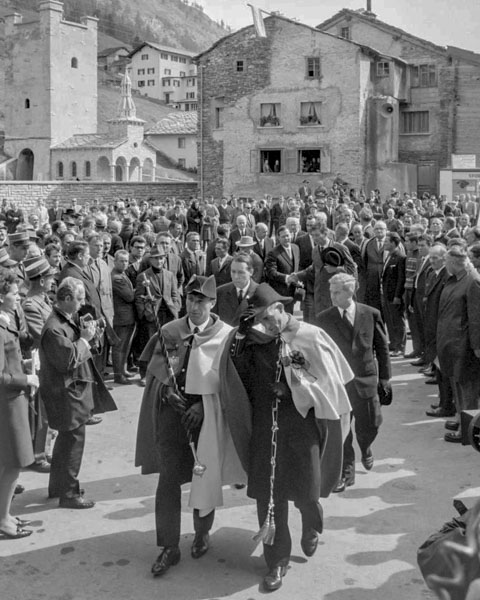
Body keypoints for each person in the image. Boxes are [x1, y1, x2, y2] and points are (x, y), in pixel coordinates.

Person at [218, 283, 352, 591]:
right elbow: (240, 378)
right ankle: (277, 560)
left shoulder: (310, 337)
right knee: (269, 496)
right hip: (266, 426)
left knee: (307, 491)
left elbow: (330, 388)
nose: (266, 325)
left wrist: (294, 391)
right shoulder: (255, 339)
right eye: (260, 321)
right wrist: (238, 339)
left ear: (281, 308)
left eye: (269, 318)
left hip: (302, 428)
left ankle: (311, 524)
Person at [135, 275, 244, 577]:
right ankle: (169, 546)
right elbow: (155, 374)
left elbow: (231, 384)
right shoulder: (169, 331)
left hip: (206, 420)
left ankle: (202, 532)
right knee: (168, 481)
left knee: (203, 478)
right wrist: (167, 392)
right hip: (172, 419)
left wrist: (203, 404)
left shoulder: (226, 336)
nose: (194, 307)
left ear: (212, 303)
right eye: (190, 300)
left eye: (201, 301)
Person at [39, 277, 117, 508]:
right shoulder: (54, 328)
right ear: (65, 299)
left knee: (65, 442)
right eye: (79, 298)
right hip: (66, 393)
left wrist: (89, 336)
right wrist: (84, 339)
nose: (83, 303)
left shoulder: (64, 319)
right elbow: (68, 360)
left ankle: (58, 487)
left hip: (71, 390)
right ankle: (70, 494)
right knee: (73, 442)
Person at [317, 273, 391, 492]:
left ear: (350, 292)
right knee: (342, 430)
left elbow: (382, 347)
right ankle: (346, 471)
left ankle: (366, 447)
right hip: (339, 384)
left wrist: (385, 378)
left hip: (366, 378)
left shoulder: (371, 314)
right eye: (331, 292)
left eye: (337, 292)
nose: (332, 296)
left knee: (371, 423)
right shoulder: (324, 319)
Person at [0, 267, 39, 538]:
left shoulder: (5, 320)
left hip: (12, 400)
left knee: (9, 464)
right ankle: (3, 519)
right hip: (9, 402)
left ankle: (5, 514)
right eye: (14, 293)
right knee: (13, 463)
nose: (18, 297)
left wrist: (23, 363)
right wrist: (27, 378)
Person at [436, 246, 480, 442]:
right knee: (458, 386)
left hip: (464, 346)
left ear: (454, 263)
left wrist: (477, 346)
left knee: (467, 390)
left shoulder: (472, 282)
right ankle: (463, 421)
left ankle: (469, 431)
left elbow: (476, 318)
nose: (444, 265)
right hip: (452, 344)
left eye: (446, 262)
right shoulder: (455, 279)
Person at [213, 253, 258, 325]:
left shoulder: (260, 293)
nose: (236, 276)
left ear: (251, 272)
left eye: (241, 272)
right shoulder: (219, 292)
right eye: (233, 272)